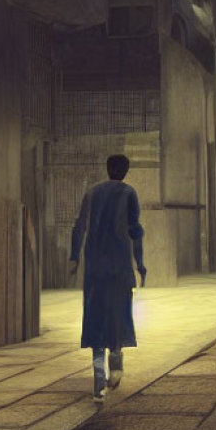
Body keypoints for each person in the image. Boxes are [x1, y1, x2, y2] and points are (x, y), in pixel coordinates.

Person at [69, 154, 147, 401]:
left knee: (95, 318)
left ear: (107, 169)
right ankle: (116, 364)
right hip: (120, 266)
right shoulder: (128, 193)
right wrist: (141, 264)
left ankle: (98, 380)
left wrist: (74, 257)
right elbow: (135, 231)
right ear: (125, 171)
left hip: (95, 267)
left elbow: (79, 225)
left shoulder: (92, 193)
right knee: (119, 315)